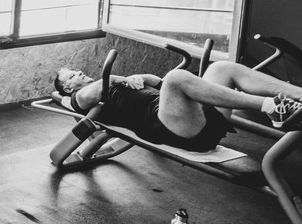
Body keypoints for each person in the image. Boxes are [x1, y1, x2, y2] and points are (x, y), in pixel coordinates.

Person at [54, 60, 302, 152]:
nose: (78, 73)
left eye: (77, 70)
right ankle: (273, 107)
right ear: (67, 88)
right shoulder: (80, 98)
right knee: (176, 77)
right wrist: (122, 79)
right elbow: (93, 92)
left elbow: (156, 82)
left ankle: (298, 95)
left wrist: (143, 78)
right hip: (172, 129)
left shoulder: (110, 83)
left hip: (196, 119)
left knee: (222, 68)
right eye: (71, 76)